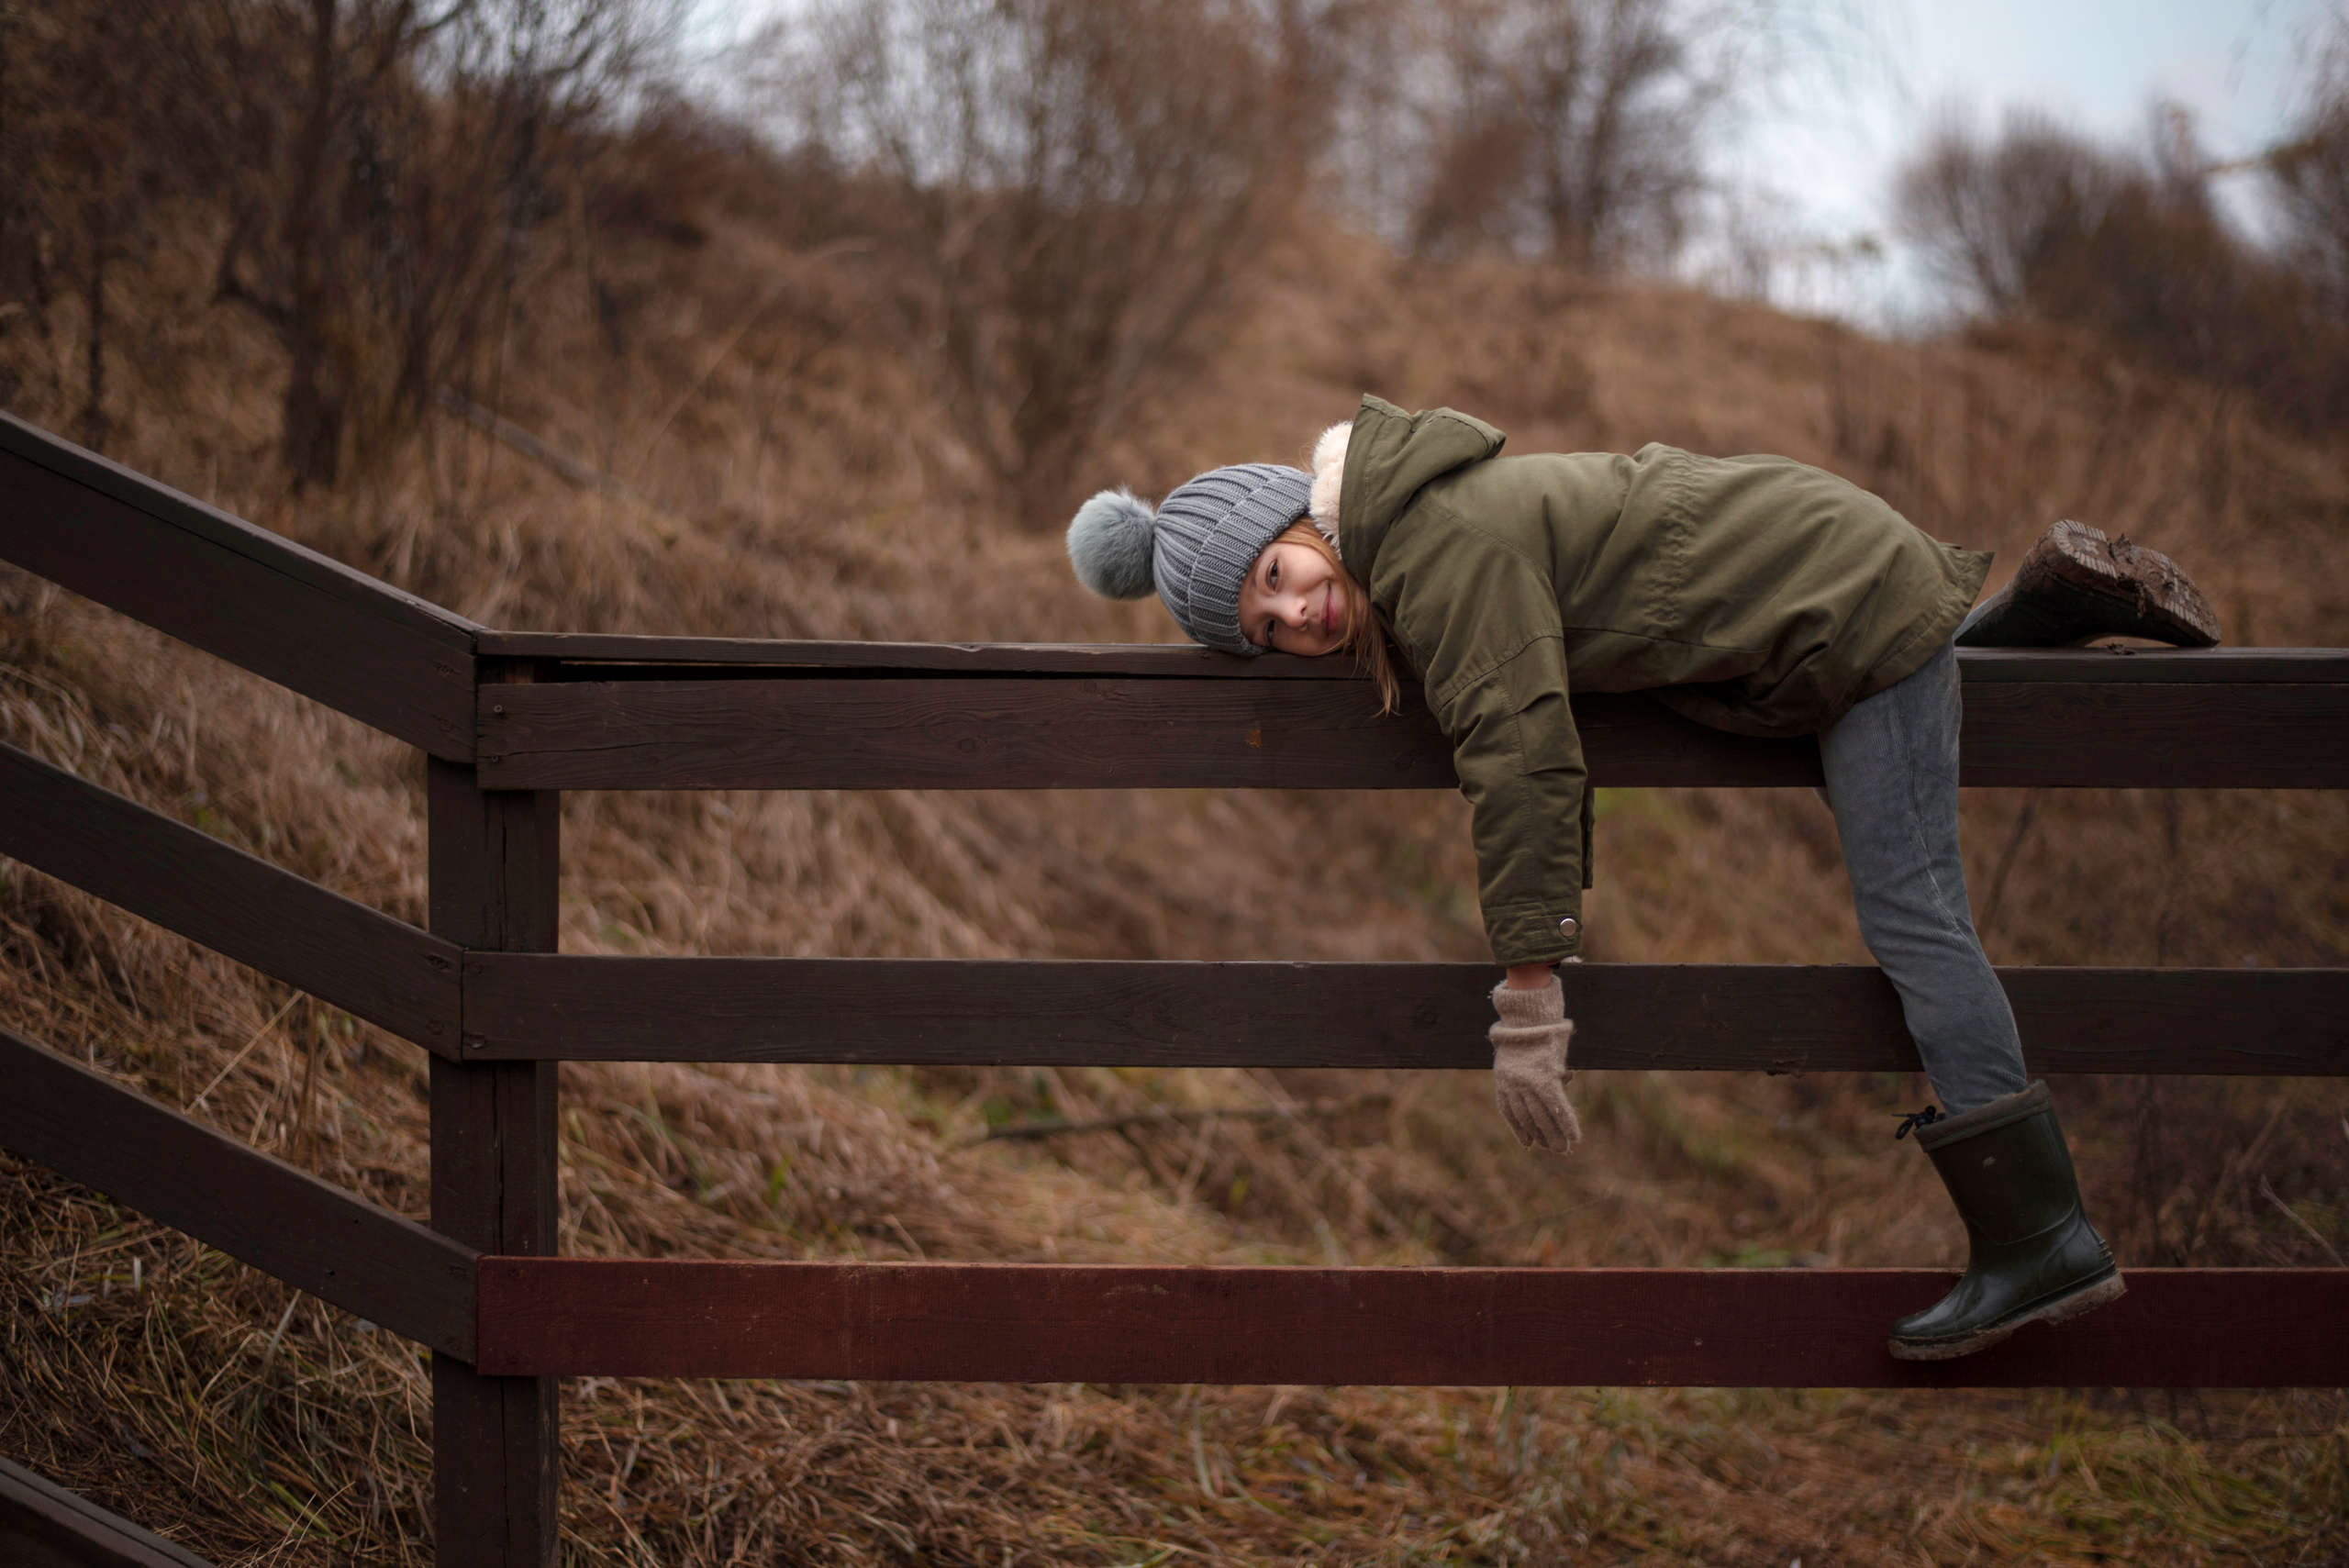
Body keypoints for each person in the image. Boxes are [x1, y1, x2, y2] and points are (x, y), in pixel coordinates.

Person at [1066, 395, 2221, 1362]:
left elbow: (1517, 751)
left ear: (1302, 525)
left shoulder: (1434, 552)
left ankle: (2042, 1238)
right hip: (1815, 571)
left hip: (1843, 604)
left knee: (1913, 915)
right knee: (1909, 880)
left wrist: (1528, 999)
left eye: (1275, 575)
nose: (1291, 614)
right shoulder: (1411, 532)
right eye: (1261, 626)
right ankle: (2043, 609)